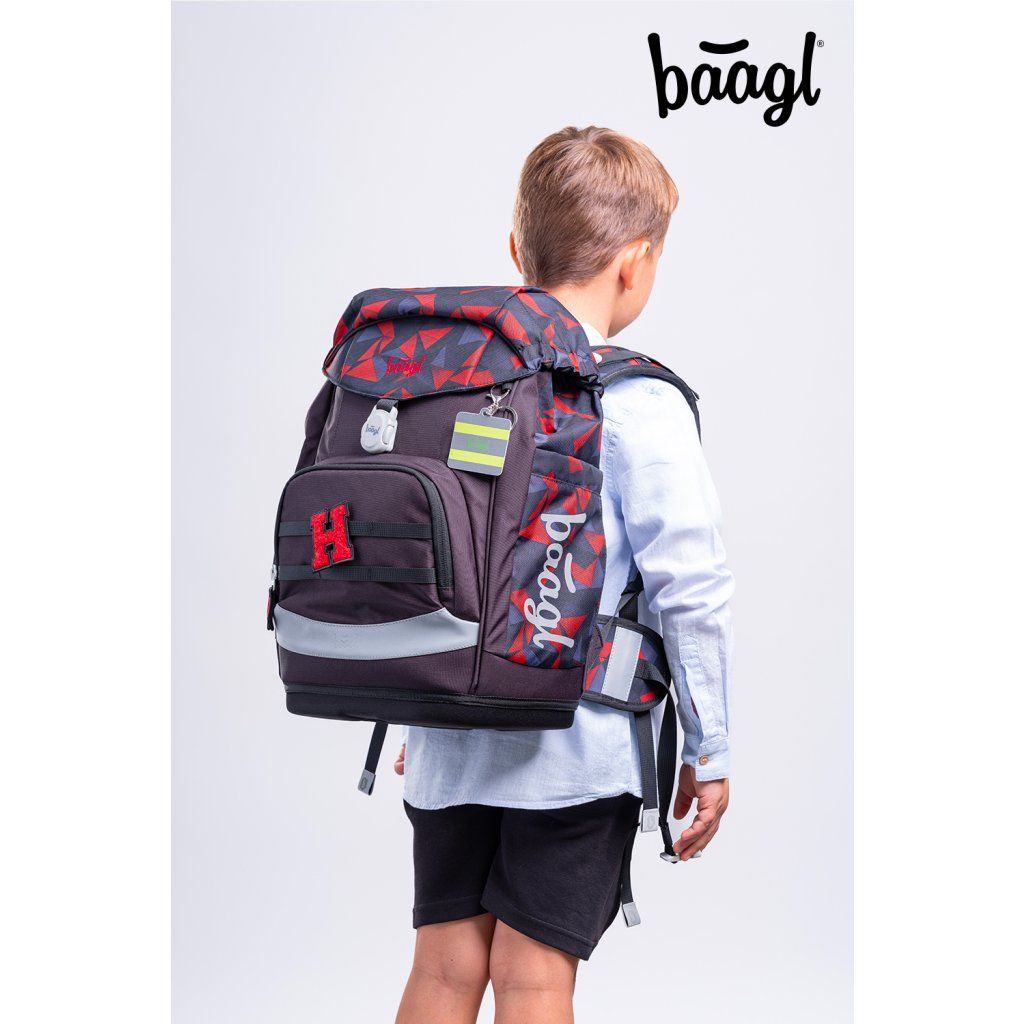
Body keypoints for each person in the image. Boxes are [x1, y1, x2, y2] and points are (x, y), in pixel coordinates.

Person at [393, 126, 734, 1024]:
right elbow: (691, 589)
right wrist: (710, 748)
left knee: (441, 971)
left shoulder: (452, 382)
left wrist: (416, 691)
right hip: (577, 746)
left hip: (448, 730)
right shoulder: (638, 401)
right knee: (535, 976)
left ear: (517, 250)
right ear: (635, 265)